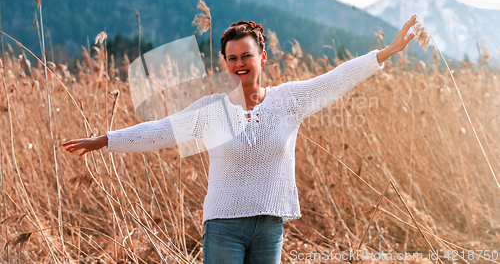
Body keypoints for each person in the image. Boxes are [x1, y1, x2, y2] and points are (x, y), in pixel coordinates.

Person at [63, 15, 417, 263]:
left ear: (262, 57)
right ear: (225, 64)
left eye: (246, 55)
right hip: (223, 228)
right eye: (232, 58)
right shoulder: (211, 111)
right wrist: (105, 140)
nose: (239, 63)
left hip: (269, 227)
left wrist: (385, 53)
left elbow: (336, 79)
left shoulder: (289, 101)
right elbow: (160, 131)